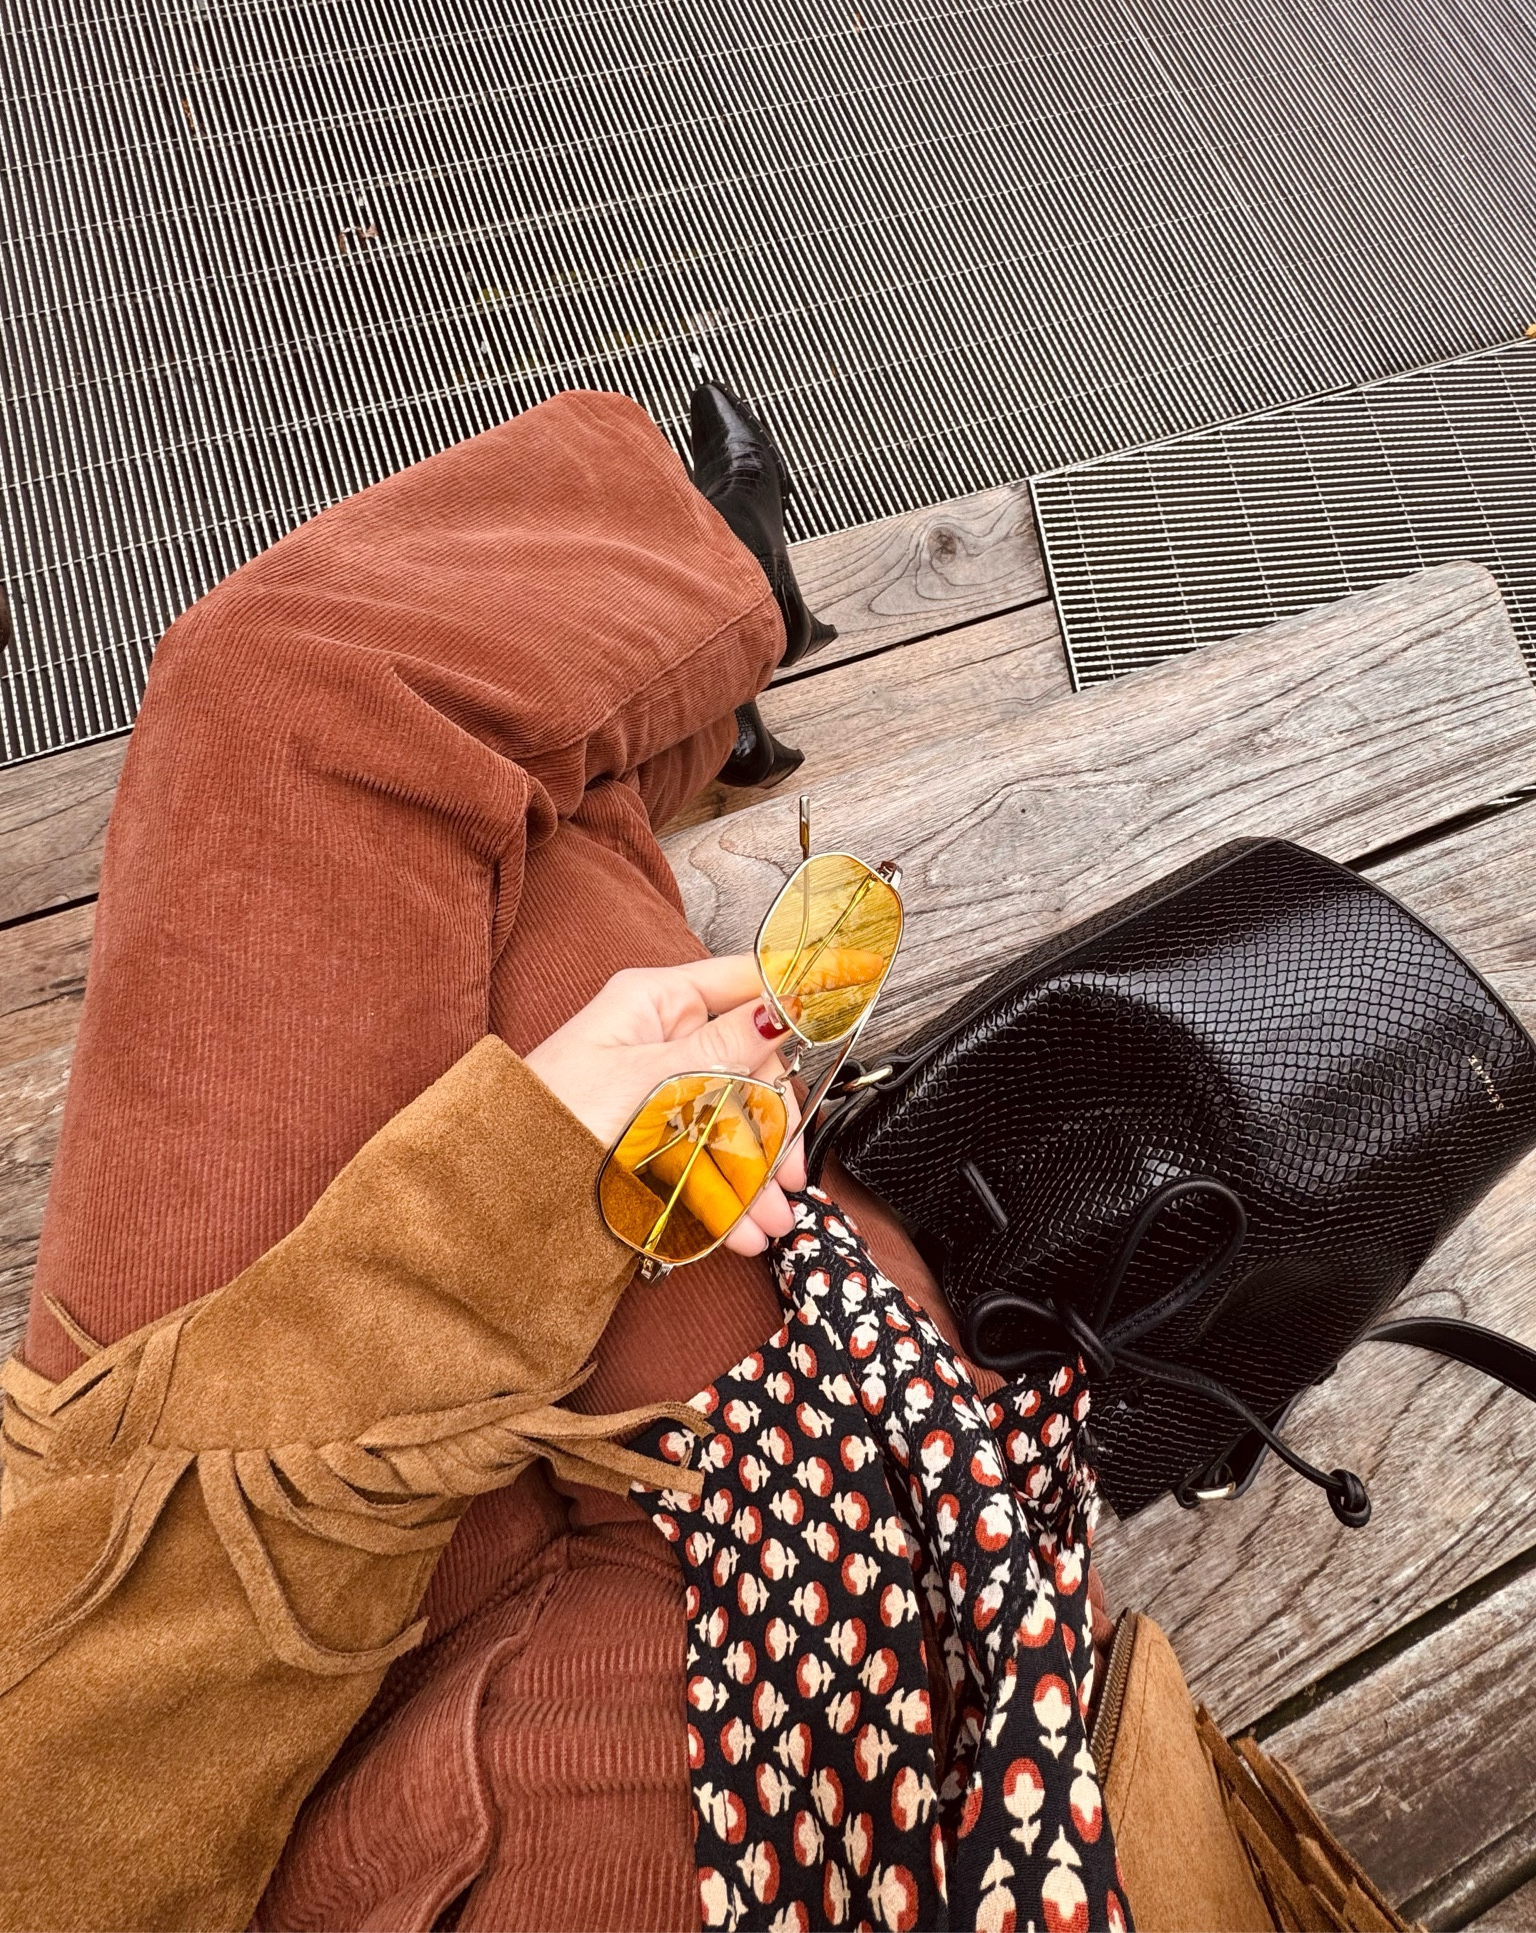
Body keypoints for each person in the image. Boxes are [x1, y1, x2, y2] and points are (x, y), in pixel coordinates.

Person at [0, 384, 1130, 1932]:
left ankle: (681, 664)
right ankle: (689, 615)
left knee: (388, 773)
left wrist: (513, 1181)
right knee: (330, 707)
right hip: (787, 1741)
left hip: (193, 1709)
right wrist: (505, 1197)